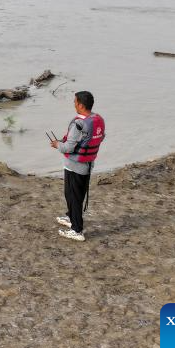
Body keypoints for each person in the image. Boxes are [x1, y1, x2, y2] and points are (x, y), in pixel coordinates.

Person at [49, 91, 105, 241]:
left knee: (73, 196)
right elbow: (98, 138)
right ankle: (71, 217)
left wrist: (57, 145)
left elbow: (68, 148)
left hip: (75, 166)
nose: (73, 104)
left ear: (80, 104)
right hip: (88, 164)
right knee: (74, 195)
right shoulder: (97, 119)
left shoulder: (78, 124)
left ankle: (77, 230)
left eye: (75, 102)